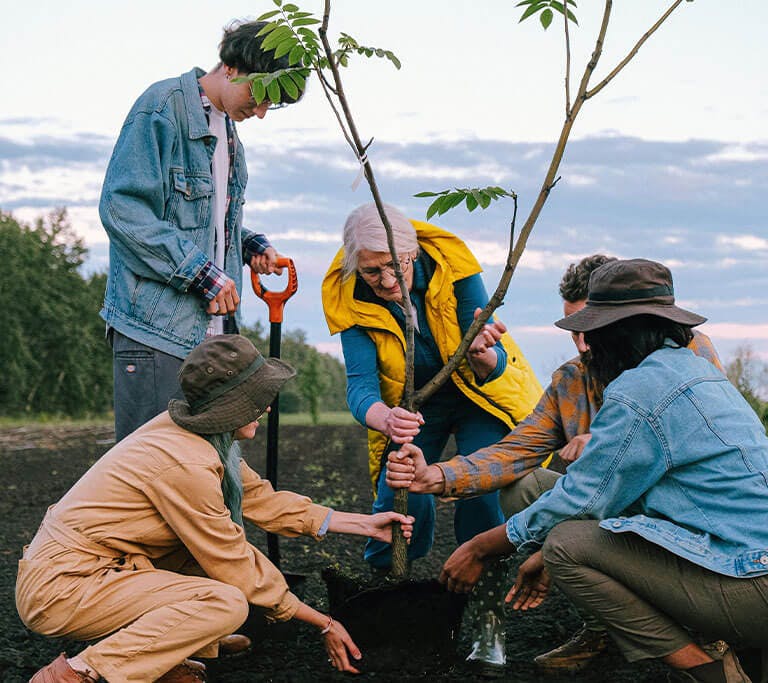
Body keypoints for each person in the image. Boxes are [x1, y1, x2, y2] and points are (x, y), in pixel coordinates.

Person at [400, 258, 768, 683]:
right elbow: (521, 451)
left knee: (568, 546)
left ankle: (711, 671)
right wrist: (440, 476)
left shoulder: (641, 386)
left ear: (617, 332)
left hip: (745, 574)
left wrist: (484, 546)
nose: (583, 345)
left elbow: (585, 496)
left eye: (589, 332)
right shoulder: (690, 371)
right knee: (547, 510)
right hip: (731, 553)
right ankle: (729, 649)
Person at [18, 335, 414, 682]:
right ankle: (78, 674)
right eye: (259, 400)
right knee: (224, 601)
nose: (268, 408)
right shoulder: (185, 462)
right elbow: (232, 559)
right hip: (63, 586)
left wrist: (365, 524)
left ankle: (163, 657)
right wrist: (322, 621)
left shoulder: (201, 437)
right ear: (232, 406)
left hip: (105, 567)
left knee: (203, 567)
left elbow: (262, 499)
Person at [321, 202, 543, 673]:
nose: (384, 282)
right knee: (399, 496)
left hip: (479, 395)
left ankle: (487, 624)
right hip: (412, 405)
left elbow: (492, 361)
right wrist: (383, 417)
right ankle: (387, 601)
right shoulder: (346, 292)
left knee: (482, 495)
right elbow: (360, 385)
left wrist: (484, 354)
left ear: (414, 252)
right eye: (371, 271)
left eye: (392, 267)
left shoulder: (454, 264)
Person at [100, 20, 296, 442]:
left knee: (209, 473)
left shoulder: (228, 131)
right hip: (156, 331)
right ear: (231, 66)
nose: (261, 112)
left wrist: (249, 244)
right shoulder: (161, 108)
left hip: (213, 334)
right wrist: (202, 273)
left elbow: (206, 222)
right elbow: (123, 210)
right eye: (260, 96)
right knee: (153, 470)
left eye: (272, 106)